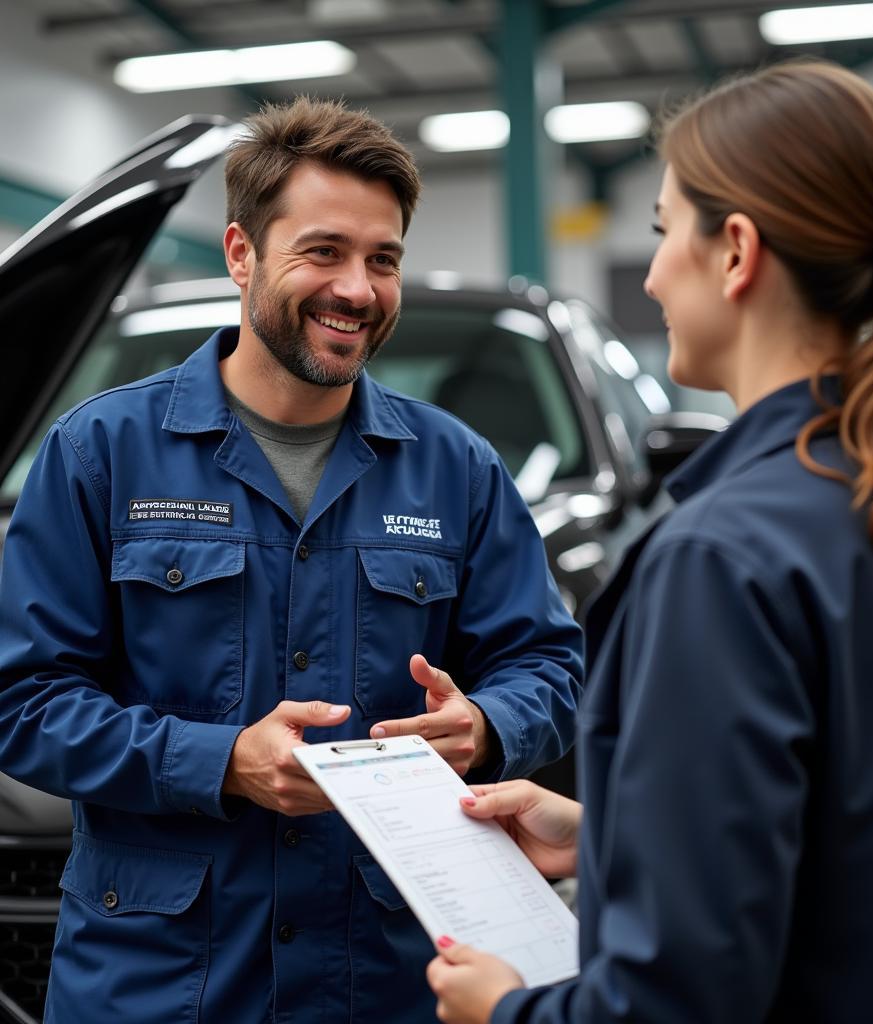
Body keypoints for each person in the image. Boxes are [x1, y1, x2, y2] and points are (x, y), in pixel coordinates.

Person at [425, 61, 873, 1023]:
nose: (655, 271)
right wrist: (613, 833)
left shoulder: (722, 561)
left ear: (735, 251)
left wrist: (504, 1009)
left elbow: (676, 1002)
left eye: (664, 232)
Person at [0, 96, 583, 1023]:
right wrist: (220, 759)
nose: (357, 288)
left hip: (390, 979)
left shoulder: (458, 470)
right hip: (162, 986)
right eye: (323, 251)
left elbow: (549, 663)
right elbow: (22, 700)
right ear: (241, 254)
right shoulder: (99, 455)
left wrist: (489, 724)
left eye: (381, 259)